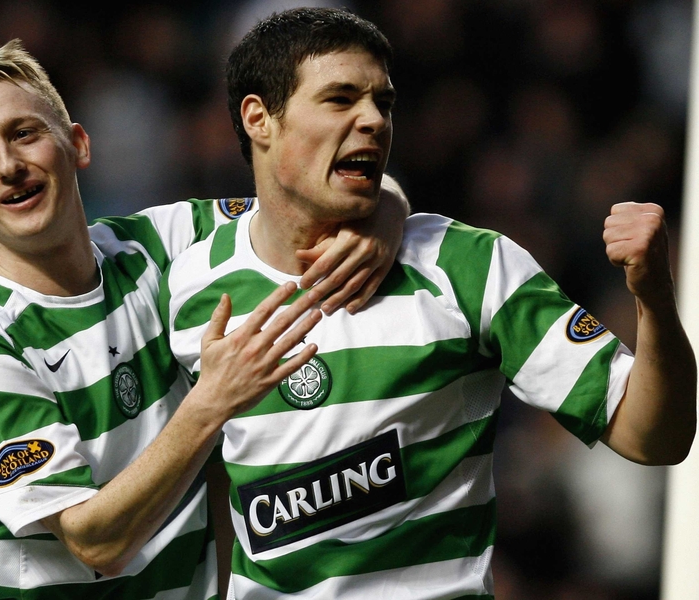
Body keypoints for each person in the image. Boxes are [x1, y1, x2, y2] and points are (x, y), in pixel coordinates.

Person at [160, 7, 697, 599]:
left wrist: (654, 299)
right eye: (340, 99)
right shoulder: (190, 283)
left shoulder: (468, 267)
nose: (373, 120)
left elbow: (655, 437)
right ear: (258, 118)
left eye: (383, 103)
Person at [0, 39, 410, 600]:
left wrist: (385, 209)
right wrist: (211, 402)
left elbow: (302, 208)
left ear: (77, 144)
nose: (8, 166)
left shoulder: (158, 245)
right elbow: (97, 542)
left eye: (24, 133)